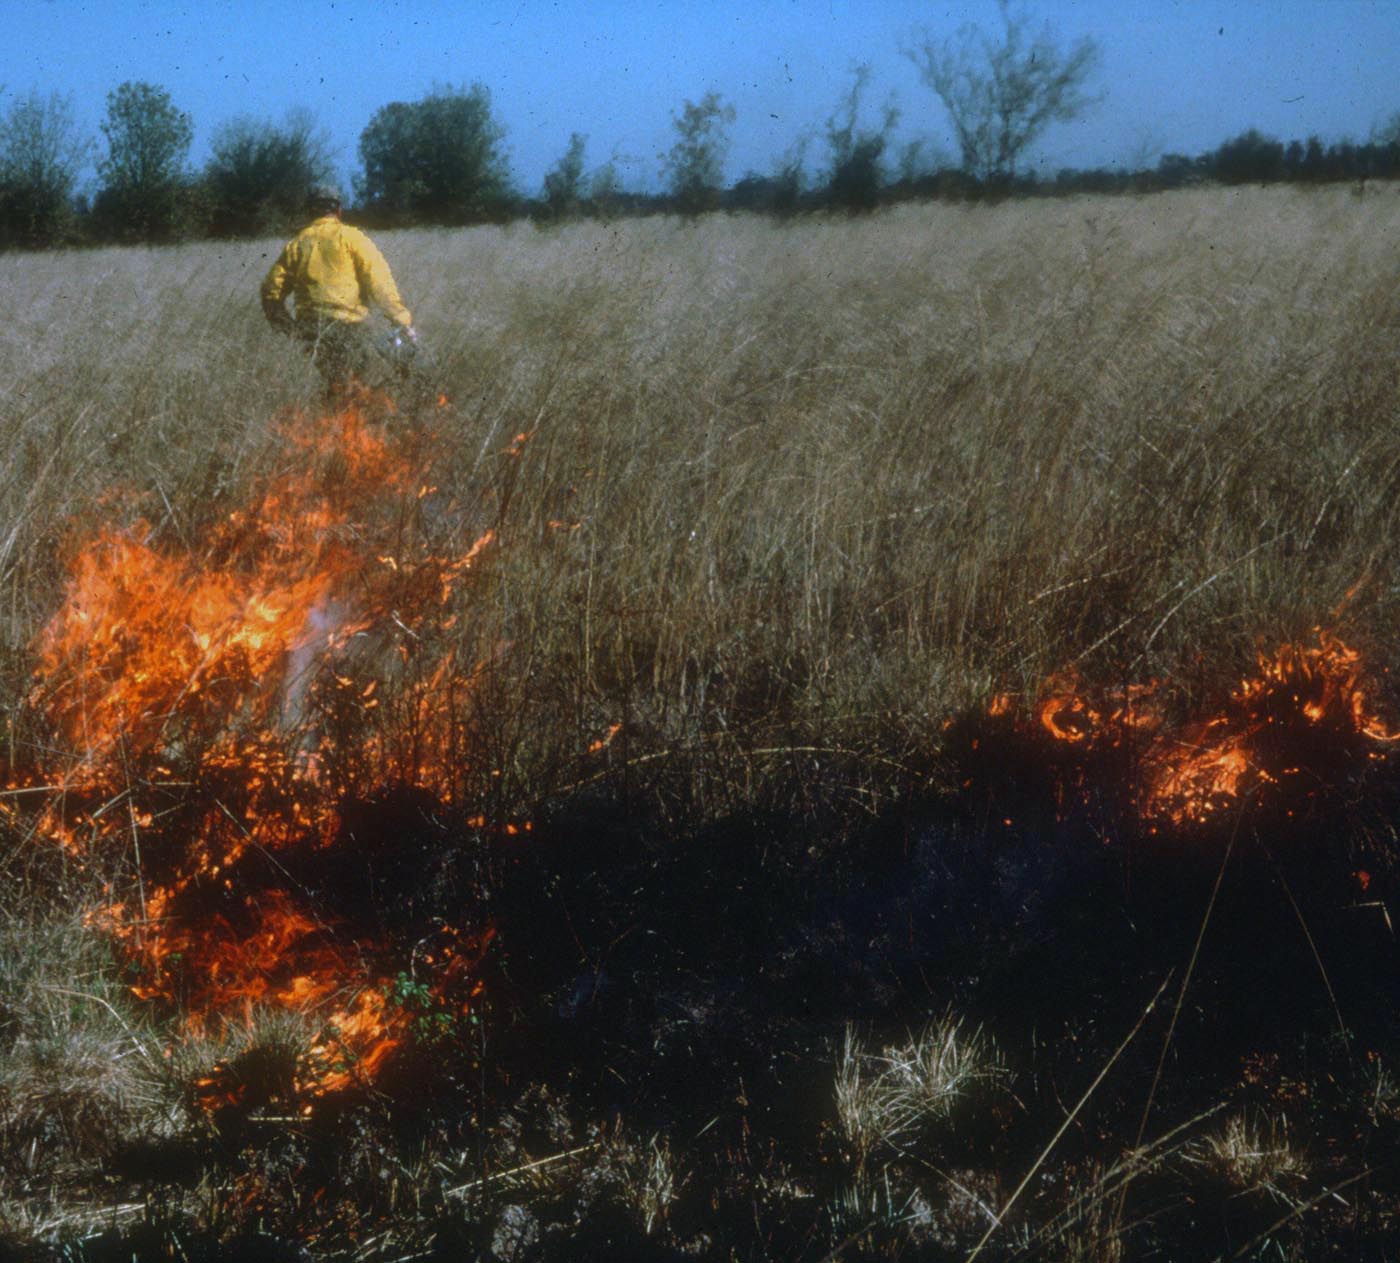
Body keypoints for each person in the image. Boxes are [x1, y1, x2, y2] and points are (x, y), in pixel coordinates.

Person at [261, 183, 417, 396]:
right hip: (350, 329)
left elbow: (271, 293)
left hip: (311, 330)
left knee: (332, 384)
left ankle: (329, 422)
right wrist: (403, 321)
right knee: (355, 387)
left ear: (309, 211)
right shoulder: (353, 238)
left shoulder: (297, 244)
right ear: (339, 211)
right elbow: (379, 283)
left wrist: (290, 329)